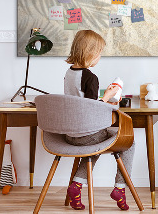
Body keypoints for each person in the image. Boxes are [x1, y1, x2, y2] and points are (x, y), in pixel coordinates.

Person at [64, 30, 134, 211]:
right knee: (129, 142)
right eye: (99, 52)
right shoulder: (90, 77)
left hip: (70, 134)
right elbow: (92, 108)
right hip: (87, 134)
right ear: (90, 53)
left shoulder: (69, 73)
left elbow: (81, 102)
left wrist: (104, 97)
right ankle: (120, 188)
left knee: (94, 146)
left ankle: (76, 186)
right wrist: (109, 96)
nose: (99, 57)